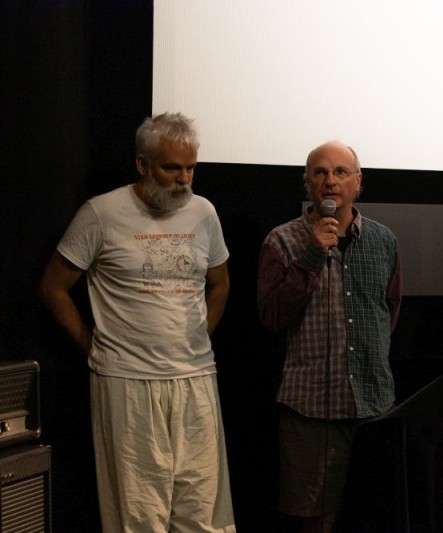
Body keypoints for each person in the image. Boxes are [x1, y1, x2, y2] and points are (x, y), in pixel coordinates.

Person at [38, 112, 236, 532]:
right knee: (139, 514)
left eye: (190, 168)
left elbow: (219, 284)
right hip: (127, 381)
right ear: (143, 165)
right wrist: (92, 346)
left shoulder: (204, 212)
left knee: (201, 513)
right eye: (171, 168)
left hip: (195, 378)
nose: (184, 179)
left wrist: (201, 335)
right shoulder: (102, 213)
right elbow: (54, 287)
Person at [257, 141, 402, 533]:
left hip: (373, 405)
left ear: (358, 182)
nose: (330, 181)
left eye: (340, 172)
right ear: (307, 182)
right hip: (311, 407)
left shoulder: (384, 240)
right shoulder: (282, 241)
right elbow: (270, 316)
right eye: (320, 172)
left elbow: (388, 311)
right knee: (316, 520)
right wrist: (311, 256)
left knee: (374, 510)